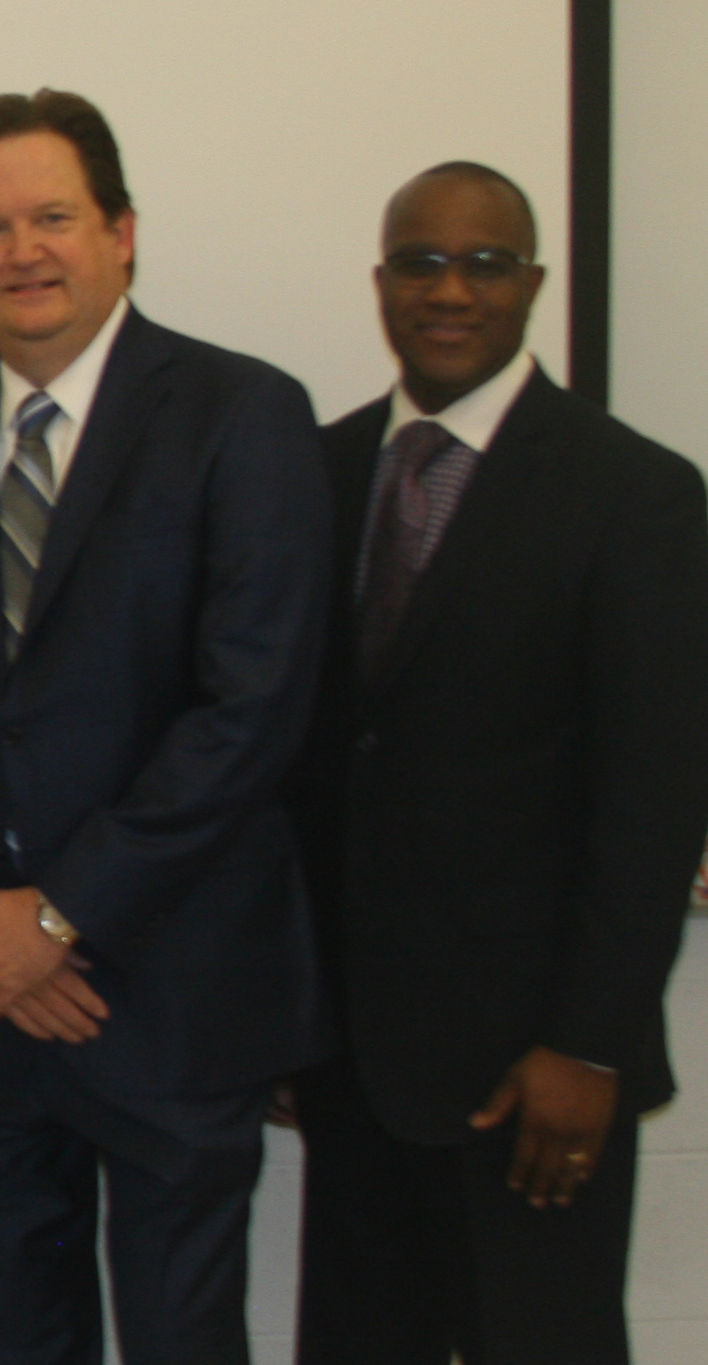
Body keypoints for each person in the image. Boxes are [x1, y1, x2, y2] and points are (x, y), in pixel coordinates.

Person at [0, 91, 334, 1365]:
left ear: (122, 231)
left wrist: (59, 919)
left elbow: (253, 712)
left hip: (171, 1000)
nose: (23, 251)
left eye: (53, 216)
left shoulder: (246, 414)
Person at [285, 162, 708, 1365]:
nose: (450, 290)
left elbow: (654, 797)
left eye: (483, 263)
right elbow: (302, 768)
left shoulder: (636, 495)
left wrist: (591, 1046)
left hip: (534, 1080)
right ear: (382, 286)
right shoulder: (317, 475)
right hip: (352, 1067)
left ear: (531, 282)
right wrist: (289, 1012)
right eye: (421, 263)